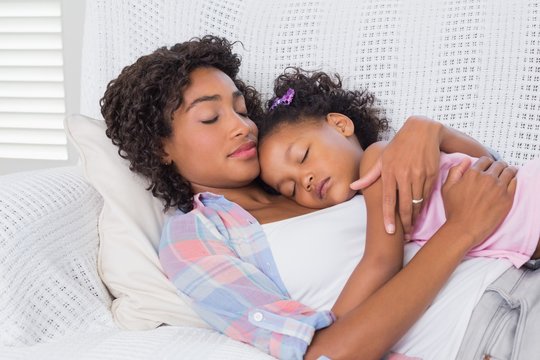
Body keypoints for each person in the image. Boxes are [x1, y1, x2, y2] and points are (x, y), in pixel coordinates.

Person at [100, 36, 517, 360]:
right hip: (491, 330)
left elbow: (485, 192)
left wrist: (427, 130)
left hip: (517, 263)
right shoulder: (194, 237)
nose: (242, 127)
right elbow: (324, 353)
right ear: (161, 148)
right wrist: (460, 233)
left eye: (242, 110)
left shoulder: (313, 175)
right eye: (210, 117)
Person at [257, 68, 540, 270]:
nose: (304, 180)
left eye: (304, 155)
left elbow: (381, 262)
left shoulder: (376, 160)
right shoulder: (358, 209)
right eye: (290, 189)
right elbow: (487, 162)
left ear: (340, 125)